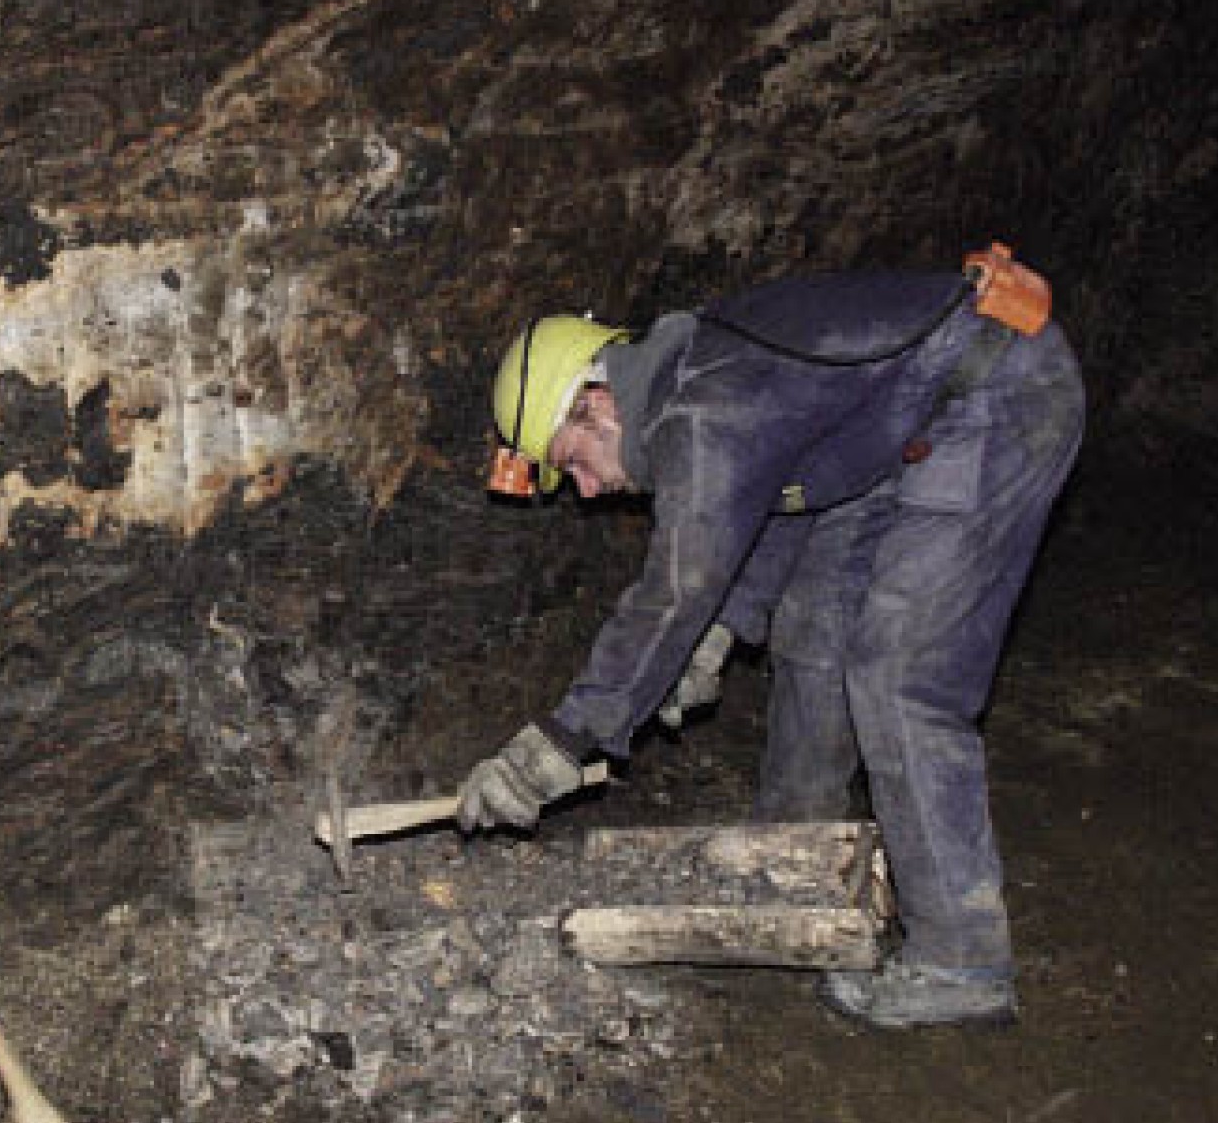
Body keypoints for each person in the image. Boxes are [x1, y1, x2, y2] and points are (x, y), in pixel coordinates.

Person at [457, 246, 1085, 1029]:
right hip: (897, 434)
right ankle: (791, 858)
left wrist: (564, 739)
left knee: (899, 679)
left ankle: (963, 962)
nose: (585, 490)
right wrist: (721, 632)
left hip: (994, 396)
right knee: (814, 633)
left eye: (574, 463)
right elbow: (778, 500)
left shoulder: (704, 407)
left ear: (597, 403)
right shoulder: (697, 388)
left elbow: (677, 585)